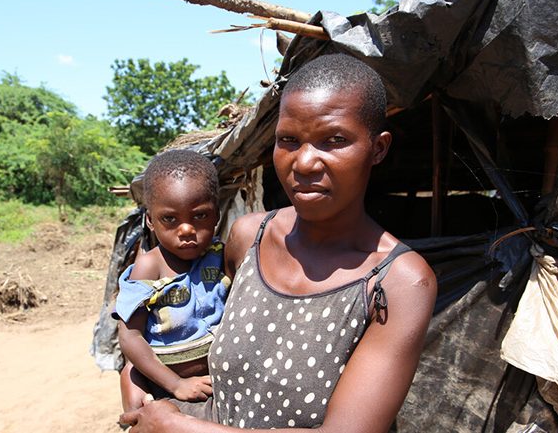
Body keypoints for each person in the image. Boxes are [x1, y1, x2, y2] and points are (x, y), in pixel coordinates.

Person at [119, 53, 437, 433]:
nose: (303, 162)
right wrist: (134, 374)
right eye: (288, 140)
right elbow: (178, 323)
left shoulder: (398, 282)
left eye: (334, 140)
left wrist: (178, 429)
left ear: (378, 148)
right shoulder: (247, 238)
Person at [113, 149, 231, 412]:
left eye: (199, 216)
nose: (186, 229)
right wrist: (176, 383)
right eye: (170, 219)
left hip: (214, 381)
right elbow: (130, 336)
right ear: (151, 221)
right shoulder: (149, 266)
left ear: (217, 215)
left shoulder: (221, 256)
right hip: (162, 382)